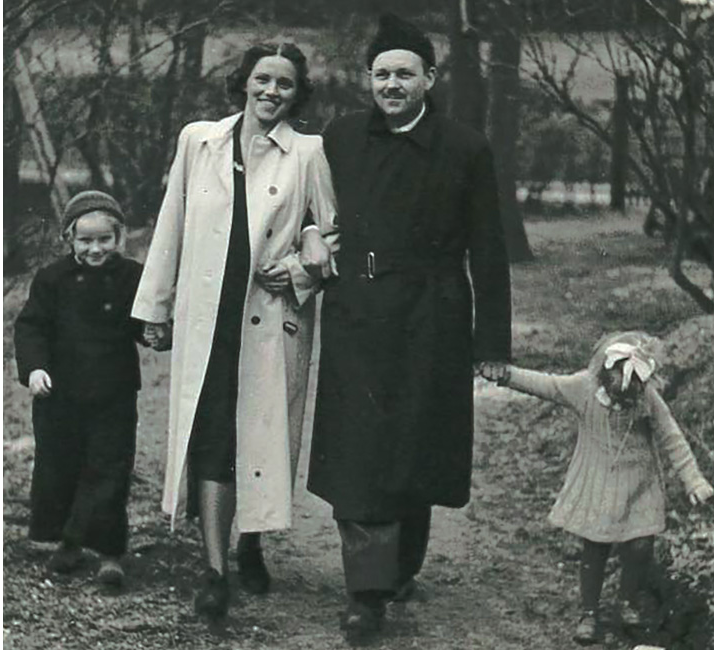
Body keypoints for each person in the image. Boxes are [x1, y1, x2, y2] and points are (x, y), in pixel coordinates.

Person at [303, 12, 511, 644]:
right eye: (382, 74)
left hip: (433, 316)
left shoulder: (465, 147)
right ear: (369, 80)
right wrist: (312, 234)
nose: (392, 85)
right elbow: (312, 207)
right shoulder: (339, 137)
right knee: (362, 451)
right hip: (358, 312)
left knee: (416, 447)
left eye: (404, 74)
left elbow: (489, 248)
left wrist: (492, 346)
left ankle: (398, 569)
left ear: (430, 78)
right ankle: (366, 594)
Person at [133, 42, 337, 620]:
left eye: (285, 84)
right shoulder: (200, 141)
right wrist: (155, 306)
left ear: (298, 94)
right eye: (262, 80)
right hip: (209, 315)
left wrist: (299, 269)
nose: (271, 92)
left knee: (262, 436)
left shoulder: (308, 154)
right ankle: (215, 569)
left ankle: (253, 542)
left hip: (270, 320)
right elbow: (171, 220)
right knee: (214, 435)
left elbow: (331, 230)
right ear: (243, 82)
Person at [481, 332, 713, 645]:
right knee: (596, 547)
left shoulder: (647, 399)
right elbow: (546, 384)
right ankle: (588, 612)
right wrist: (506, 375)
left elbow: (672, 438)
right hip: (599, 483)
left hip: (640, 485)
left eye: (628, 396)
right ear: (603, 376)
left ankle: (627, 602)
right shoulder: (583, 388)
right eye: (616, 393)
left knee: (641, 545)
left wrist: (693, 480)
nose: (621, 401)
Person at [14, 190, 146, 587]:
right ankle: (68, 542)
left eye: (104, 239)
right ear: (69, 238)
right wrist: (35, 369)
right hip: (61, 394)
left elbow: (145, 321)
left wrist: (158, 332)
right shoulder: (52, 279)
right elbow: (31, 326)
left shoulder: (132, 277)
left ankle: (110, 553)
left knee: (109, 468)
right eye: (86, 241)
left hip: (114, 393)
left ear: (119, 237)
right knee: (61, 468)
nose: (95, 248)